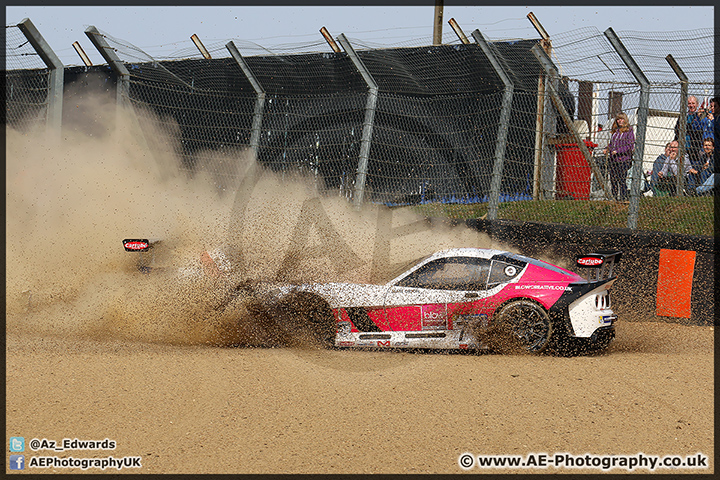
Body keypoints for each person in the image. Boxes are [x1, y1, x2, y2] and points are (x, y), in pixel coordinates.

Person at [603, 112, 635, 200]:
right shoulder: (615, 132)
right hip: (614, 160)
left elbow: (630, 146)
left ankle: (623, 197)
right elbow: (611, 144)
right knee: (613, 180)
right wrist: (607, 149)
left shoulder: (629, 131)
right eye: (618, 119)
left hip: (624, 159)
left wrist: (618, 151)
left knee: (621, 179)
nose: (620, 121)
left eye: (621, 119)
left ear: (625, 120)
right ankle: (614, 197)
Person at [674, 96, 706, 177]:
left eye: (693, 103)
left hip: (695, 148)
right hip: (683, 147)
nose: (691, 105)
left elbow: (697, 130)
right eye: (689, 103)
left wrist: (686, 128)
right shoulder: (683, 115)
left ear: (697, 104)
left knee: (694, 169)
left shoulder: (701, 116)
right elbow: (677, 129)